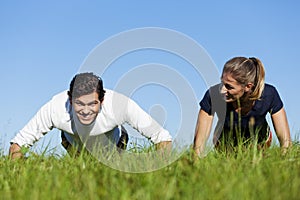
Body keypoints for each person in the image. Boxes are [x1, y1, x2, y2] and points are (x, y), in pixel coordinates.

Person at [9, 72, 172, 159]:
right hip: (74, 145)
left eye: (92, 104)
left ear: (102, 100)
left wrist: (159, 170)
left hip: (114, 146)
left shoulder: (120, 105)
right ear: (70, 100)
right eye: (79, 104)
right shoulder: (55, 107)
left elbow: (163, 138)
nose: (86, 111)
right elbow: (18, 144)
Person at [193, 56, 292, 157]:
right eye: (222, 82)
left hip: (260, 143)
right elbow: (198, 146)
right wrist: (195, 165)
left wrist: (287, 161)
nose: (222, 90)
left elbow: (286, 142)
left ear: (248, 87)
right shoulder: (213, 95)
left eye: (229, 86)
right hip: (225, 145)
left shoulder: (269, 94)